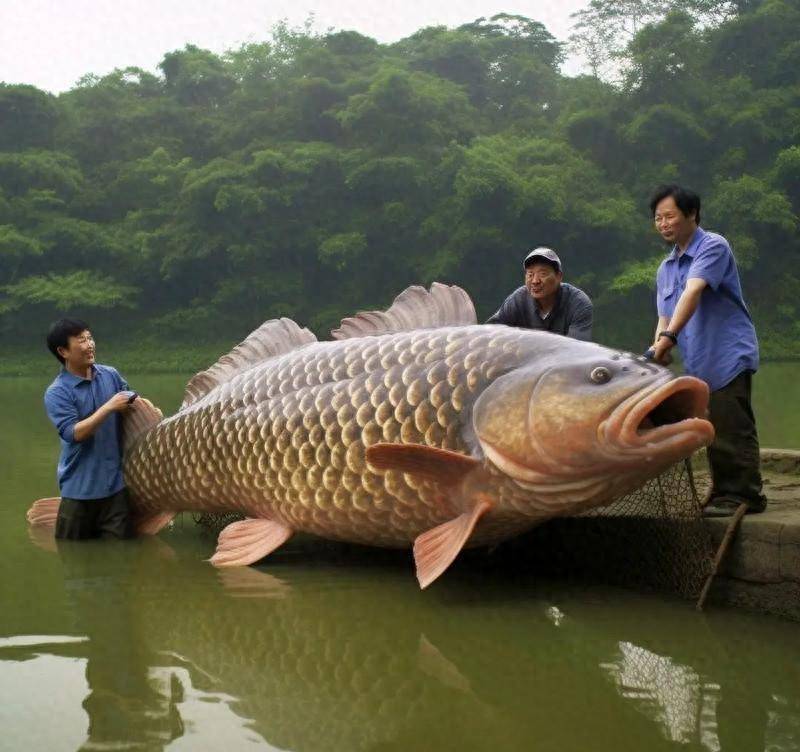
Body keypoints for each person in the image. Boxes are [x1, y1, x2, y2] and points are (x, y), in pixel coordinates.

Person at [648, 184, 766, 517]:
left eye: (670, 216)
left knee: (732, 425)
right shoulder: (666, 268)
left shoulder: (713, 246)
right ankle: (724, 493)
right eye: (658, 218)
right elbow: (665, 315)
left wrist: (669, 337)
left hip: (727, 353)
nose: (664, 223)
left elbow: (694, 292)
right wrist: (660, 345)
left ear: (692, 214)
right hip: (698, 359)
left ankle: (745, 494)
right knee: (712, 427)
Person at [44, 318, 138, 539]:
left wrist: (136, 403)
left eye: (90, 338)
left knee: (119, 559)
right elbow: (74, 433)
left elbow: (132, 399)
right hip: (78, 494)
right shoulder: (57, 392)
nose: (90, 344)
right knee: (75, 562)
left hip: (115, 491)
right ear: (63, 351)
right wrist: (109, 407)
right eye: (81, 340)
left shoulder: (110, 375)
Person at [486, 247, 593, 341]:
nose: (535, 281)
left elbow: (577, 350)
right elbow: (490, 332)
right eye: (530, 274)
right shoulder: (518, 299)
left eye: (543, 274)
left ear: (559, 276)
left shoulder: (579, 303)